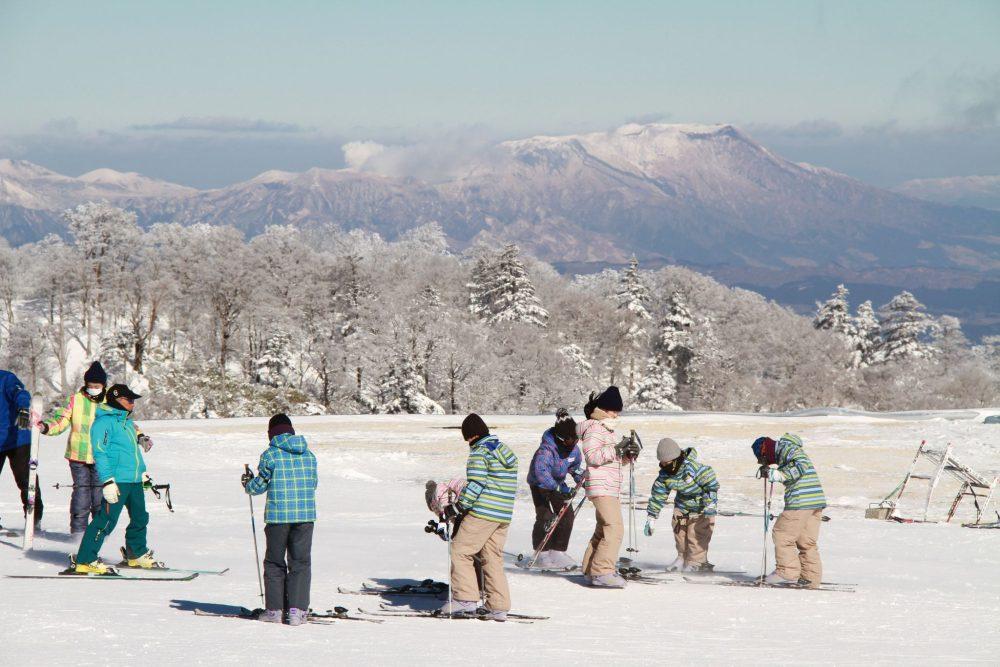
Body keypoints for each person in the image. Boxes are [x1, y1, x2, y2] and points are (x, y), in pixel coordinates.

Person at [39, 361, 153, 536]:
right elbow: (60, 420)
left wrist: (140, 437)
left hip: (104, 458)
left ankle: (99, 533)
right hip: (79, 456)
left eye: (97, 386)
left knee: (101, 497)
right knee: (82, 495)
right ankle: (78, 534)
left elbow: (124, 423)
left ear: (104, 385)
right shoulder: (75, 400)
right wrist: (46, 427)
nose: (93, 388)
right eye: (90, 385)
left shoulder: (110, 401)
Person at [438, 413, 517, 621]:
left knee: (460, 550)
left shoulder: (479, 454)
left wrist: (458, 507)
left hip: (483, 512)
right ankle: (498, 606)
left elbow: (476, 484)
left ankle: (464, 599)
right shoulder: (503, 451)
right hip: (503, 514)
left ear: (471, 436)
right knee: (492, 558)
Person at [72, 384, 157, 574]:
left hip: (133, 480)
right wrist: (108, 480)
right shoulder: (103, 423)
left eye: (133, 400)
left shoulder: (127, 423)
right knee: (106, 521)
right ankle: (86, 559)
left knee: (140, 517)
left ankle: (136, 554)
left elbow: (133, 453)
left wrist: (142, 472)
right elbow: (100, 453)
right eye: (129, 400)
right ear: (115, 400)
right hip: (117, 481)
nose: (133, 404)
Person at [243, 414, 318, 626]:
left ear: (271, 433)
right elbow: (313, 483)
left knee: (275, 562)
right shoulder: (309, 455)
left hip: (278, 516)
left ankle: (275, 610)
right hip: (305, 516)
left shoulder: (270, 455)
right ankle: (297, 611)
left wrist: (247, 484)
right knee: (300, 562)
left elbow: (259, 485)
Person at [579, 386, 639, 588]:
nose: (616, 415)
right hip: (601, 486)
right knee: (614, 528)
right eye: (614, 410)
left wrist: (627, 457)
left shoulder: (606, 429)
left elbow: (610, 459)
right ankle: (603, 571)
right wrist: (616, 450)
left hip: (608, 485)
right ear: (603, 410)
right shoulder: (595, 428)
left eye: (618, 411)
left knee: (603, 529)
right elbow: (592, 456)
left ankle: (590, 569)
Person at [752, 433, 826, 588]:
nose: (769, 462)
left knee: (782, 534)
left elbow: (801, 465)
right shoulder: (790, 449)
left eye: (764, 458)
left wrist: (776, 474)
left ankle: (787, 572)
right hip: (815, 501)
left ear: (766, 450)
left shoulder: (787, 448)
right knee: (806, 542)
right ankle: (810, 578)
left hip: (800, 500)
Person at [644, 438, 719, 572]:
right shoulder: (665, 475)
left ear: (676, 458)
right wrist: (651, 517)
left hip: (702, 508)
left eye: (667, 463)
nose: (664, 466)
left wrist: (710, 505)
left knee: (696, 536)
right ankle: (682, 558)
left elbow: (711, 485)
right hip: (682, 506)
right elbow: (658, 495)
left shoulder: (695, 469)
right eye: (662, 463)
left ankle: (697, 562)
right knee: (680, 533)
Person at [526, 408, 584, 569]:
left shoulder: (574, 450)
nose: (573, 444)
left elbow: (574, 466)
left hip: (558, 483)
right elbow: (541, 473)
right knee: (546, 517)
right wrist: (558, 488)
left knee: (567, 515)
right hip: (539, 484)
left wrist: (580, 477)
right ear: (560, 439)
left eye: (575, 440)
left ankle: (557, 552)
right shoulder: (547, 450)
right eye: (569, 440)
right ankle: (542, 554)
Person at [0, 369, 41, 529]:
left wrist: (23, 409)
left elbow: (21, 394)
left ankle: (34, 519)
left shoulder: (6, 378)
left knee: (27, 480)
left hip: (17, 439)